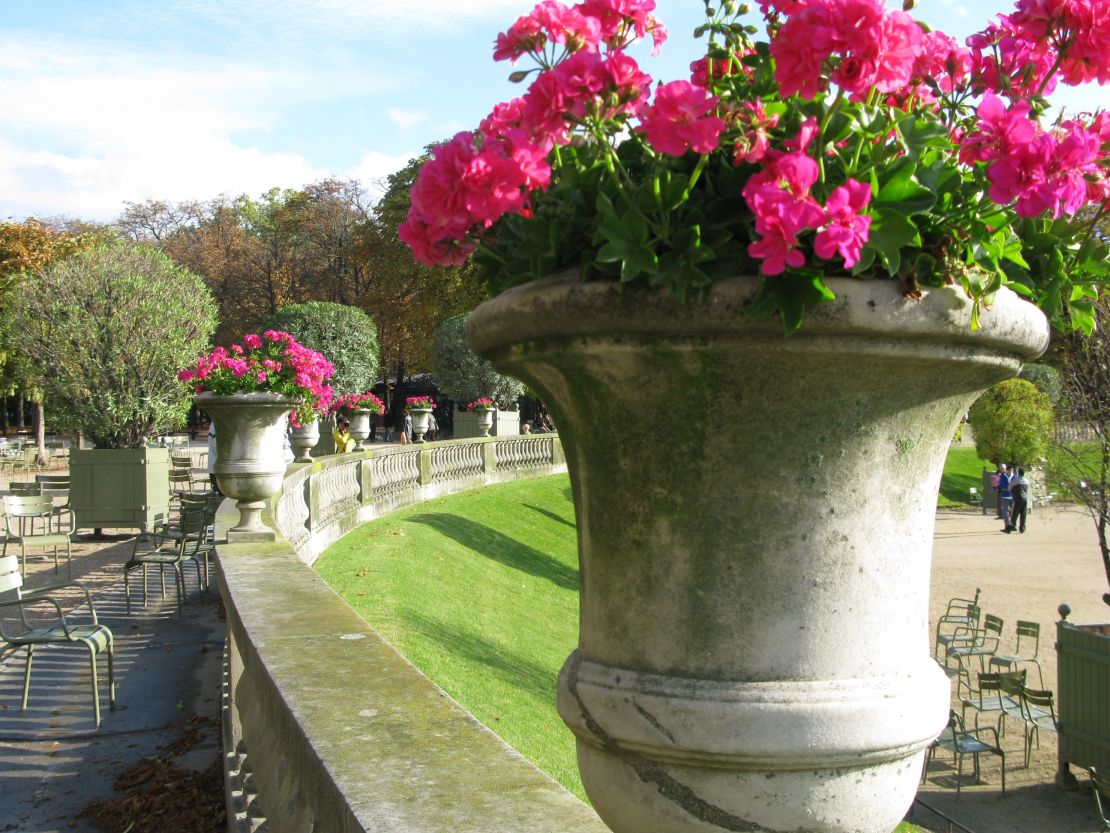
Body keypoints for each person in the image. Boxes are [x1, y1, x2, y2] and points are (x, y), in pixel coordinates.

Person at [1007, 467, 1030, 533]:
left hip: (1017, 498)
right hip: (1025, 499)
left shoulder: (1015, 481)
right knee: (1023, 514)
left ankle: (1012, 526)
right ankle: (1022, 527)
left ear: (1018, 473)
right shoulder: (1026, 481)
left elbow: (1009, 488)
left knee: (1014, 513)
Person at [997, 464, 1014, 532]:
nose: (1011, 471)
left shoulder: (1004, 476)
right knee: (1007, 512)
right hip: (1009, 496)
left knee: (1006, 512)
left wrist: (1004, 489)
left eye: (1012, 470)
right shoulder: (1005, 476)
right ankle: (1009, 525)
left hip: (1008, 496)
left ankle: (1008, 526)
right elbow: (1001, 486)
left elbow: (1002, 487)